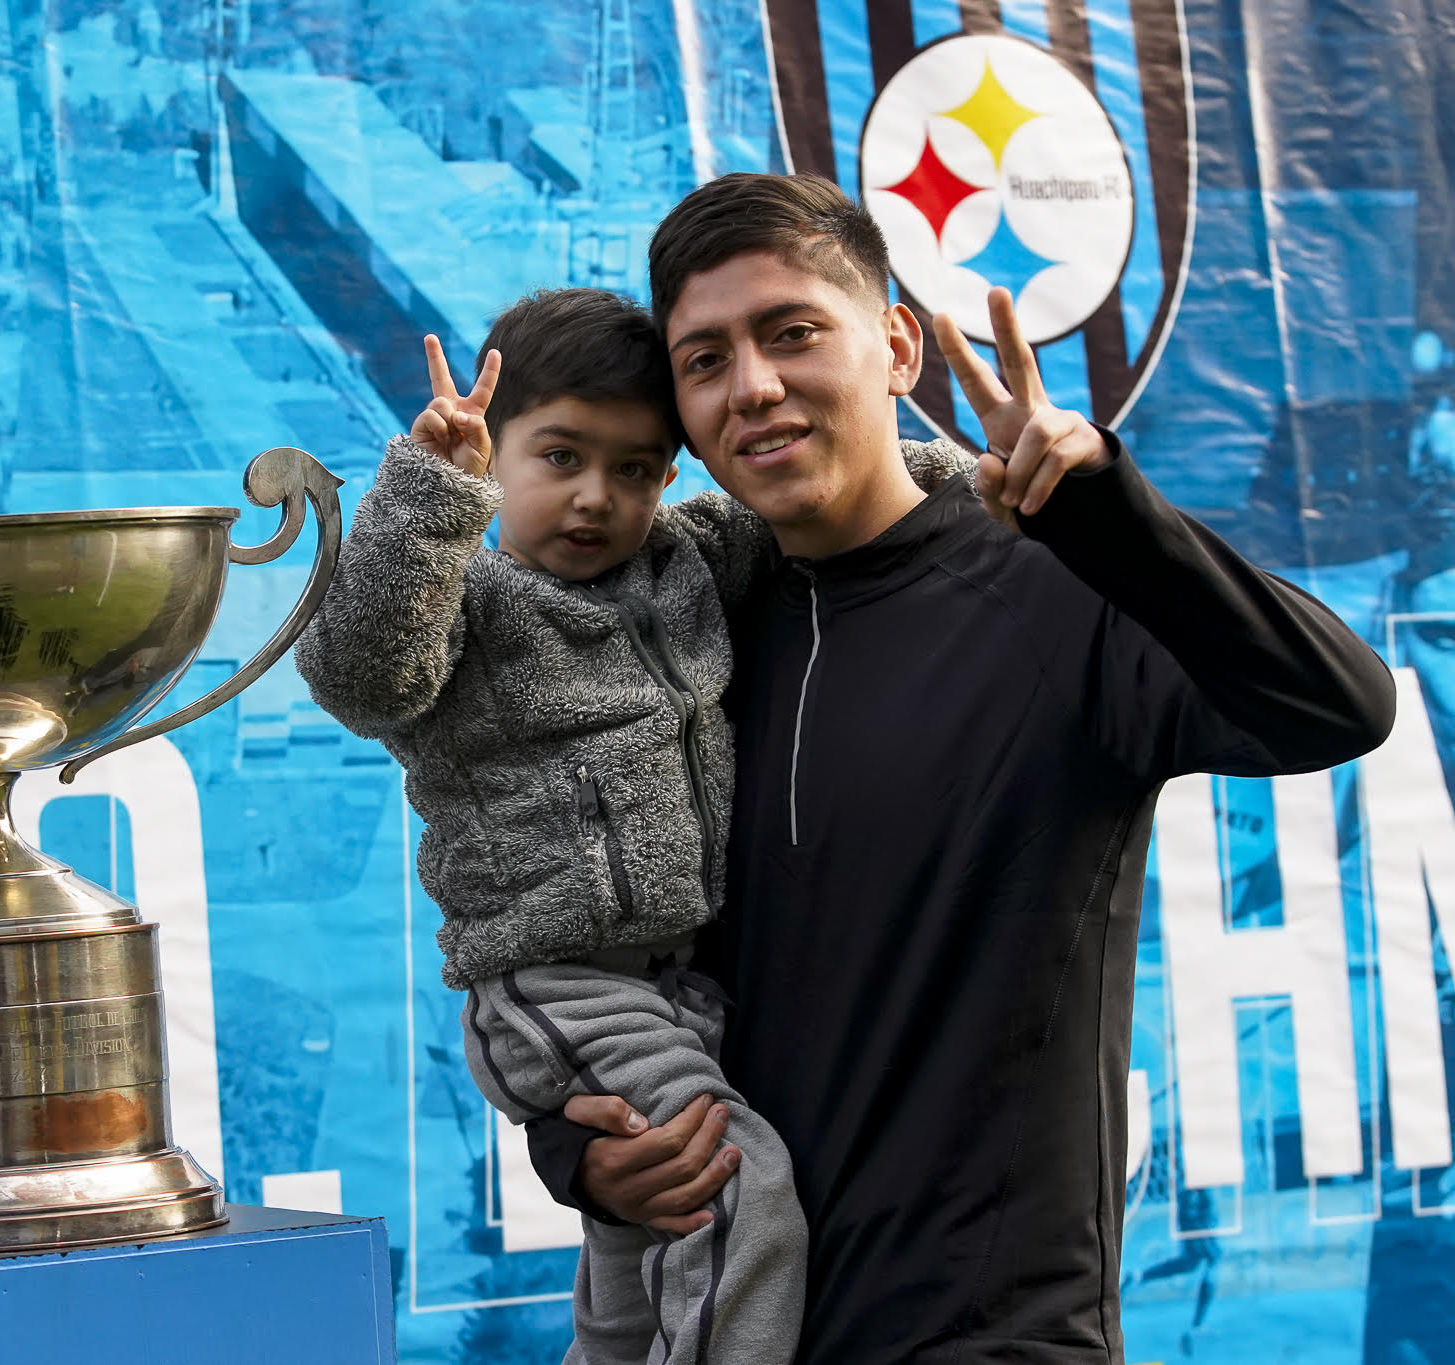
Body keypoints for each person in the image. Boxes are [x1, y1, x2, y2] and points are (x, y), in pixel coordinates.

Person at [523, 173, 1397, 1364]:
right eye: (705, 359)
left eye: (790, 334)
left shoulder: (1058, 588)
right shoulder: (691, 635)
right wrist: (580, 1151)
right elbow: (618, 950)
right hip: (734, 1328)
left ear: (893, 347)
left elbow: (1334, 707)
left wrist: (1105, 515)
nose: (755, 386)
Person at [296, 287, 968, 1364]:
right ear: (495, 452)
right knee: (736, 1197)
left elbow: (845, 497)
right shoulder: (461, 601)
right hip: (552, 984)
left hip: (678, 988)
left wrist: (970, 477)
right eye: (557, 458)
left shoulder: (690, 559)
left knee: (636, 1283)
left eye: (634, 469)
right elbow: (360, 678)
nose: (594, 499)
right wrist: (428, 493)